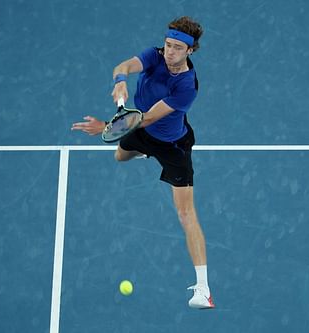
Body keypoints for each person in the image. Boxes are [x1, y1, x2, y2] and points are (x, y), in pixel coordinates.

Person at [71, 16, 214, 309]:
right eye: (168, 45)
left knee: (186, 215)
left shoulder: (187, 85)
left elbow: (145, 118)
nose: (169, 52)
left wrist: (107, 128)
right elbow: (121, 67)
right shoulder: (155, 56)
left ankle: (203, 289)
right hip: (140, 133)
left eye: (177, 48)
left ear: (190, 51)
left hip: (171, 144)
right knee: (120, 156)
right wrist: (120, 83)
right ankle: (143, 152)